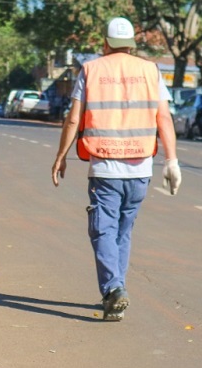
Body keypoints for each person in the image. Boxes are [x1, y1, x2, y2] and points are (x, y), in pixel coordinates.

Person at [51, 17, 182, 321]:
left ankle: (113, 289)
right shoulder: (151, 70)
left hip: (106, 168)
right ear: (133, 45)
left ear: (105, 43)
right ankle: (115, 291)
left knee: (103, 230)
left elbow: (73, 119)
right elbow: (164, 118)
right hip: (140, 169)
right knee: (123, 232)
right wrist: (172, 160)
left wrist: (61, 156)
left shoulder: (91, 69)